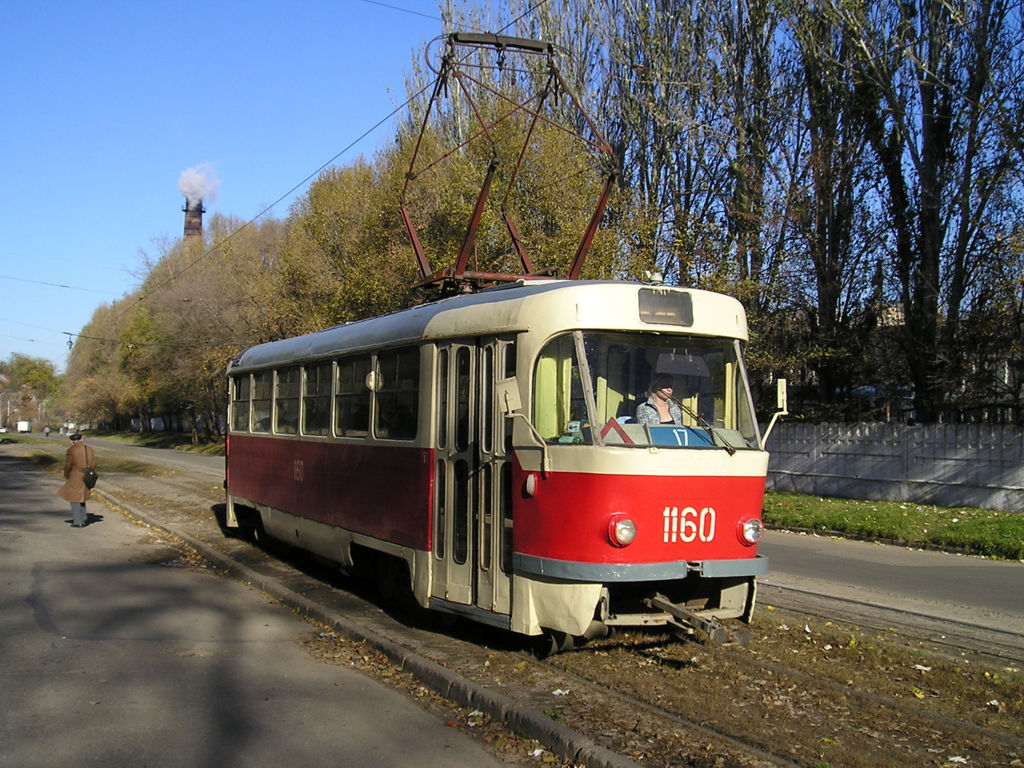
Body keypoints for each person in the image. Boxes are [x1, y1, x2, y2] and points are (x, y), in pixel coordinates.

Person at [57, 433, 95, 528]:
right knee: (82, 496)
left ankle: (78, 521)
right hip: (87, 475)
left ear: (72, 442)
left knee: (74, 498)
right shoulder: (89, 449)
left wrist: (66, 475)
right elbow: (94, 464)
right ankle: (83, 517)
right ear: (81, 439)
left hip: (75, 475)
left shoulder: (72, 450)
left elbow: (68, 465)